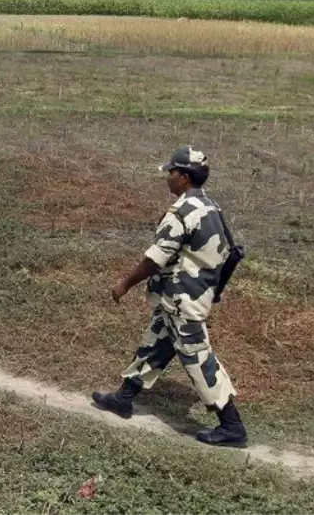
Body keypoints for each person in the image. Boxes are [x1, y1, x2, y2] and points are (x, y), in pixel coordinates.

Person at [92, 146, 248, 447]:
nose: (168, 177)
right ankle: (124, 397)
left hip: (182, 299)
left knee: (198, 358)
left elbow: (155, 260)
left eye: (172, 172)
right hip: (191, 294)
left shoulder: (181, 213)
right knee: (156, 343)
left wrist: (125, 283)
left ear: (185, 177)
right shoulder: (211, 207)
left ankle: (232, 425)